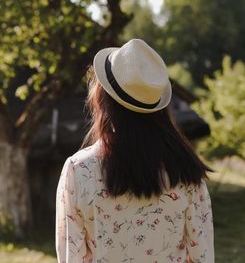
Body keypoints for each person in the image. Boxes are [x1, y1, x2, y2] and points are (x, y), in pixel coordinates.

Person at [55, 39, 214, 263]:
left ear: (102, 100)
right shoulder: (187, 170)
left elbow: (72, 257)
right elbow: (202, 257)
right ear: (158, 108)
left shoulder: (79, 170)